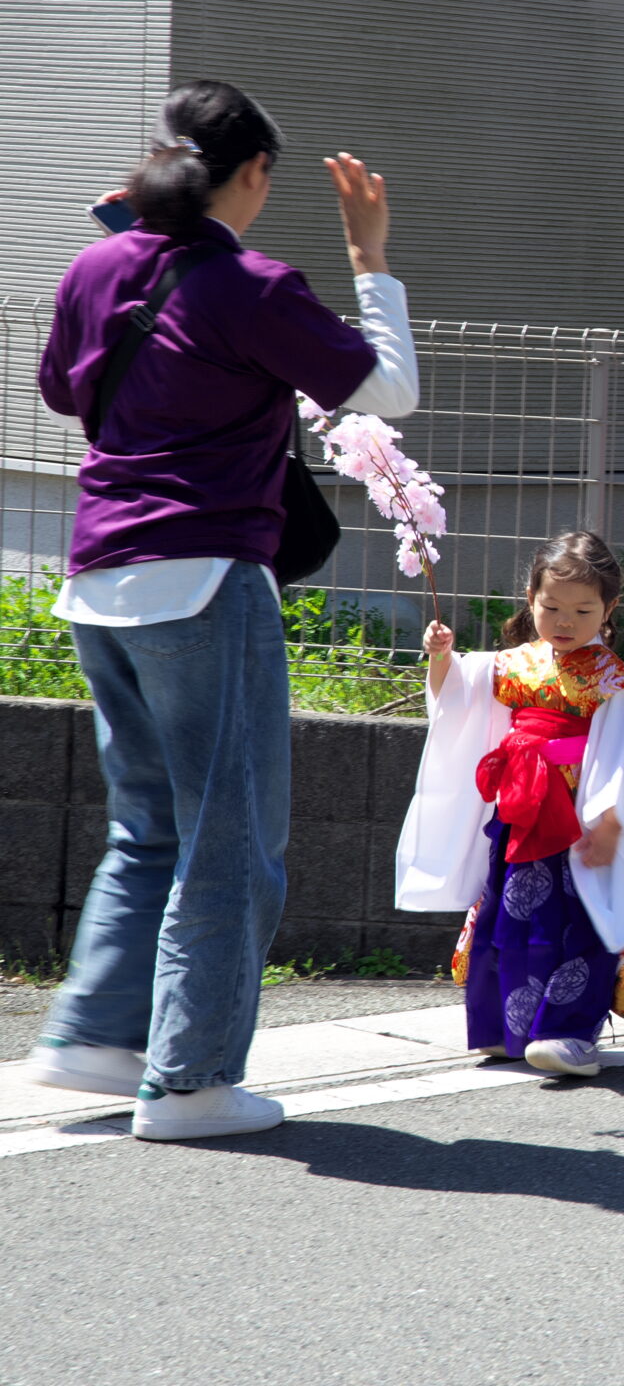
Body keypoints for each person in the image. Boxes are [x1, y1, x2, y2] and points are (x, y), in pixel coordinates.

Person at [27, 80, 420, 1141]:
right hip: (203, 580)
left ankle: (95, 1037)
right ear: (252, 174)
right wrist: (370, 255)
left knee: (148, 823)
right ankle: (192, 1081)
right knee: (230, 836)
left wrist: (123, 238)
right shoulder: (252, 284)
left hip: (99, 578)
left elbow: (64, 390)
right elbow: (387, 391)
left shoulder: (95, 268)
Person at [396, 532, 624, 1076]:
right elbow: (455, 699)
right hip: (520, 810)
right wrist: (441, 656)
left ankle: (570, 1032)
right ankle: (508, 1027)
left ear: (609, 609)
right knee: (510, 914)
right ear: (530, 598)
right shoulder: (513, 663)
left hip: (579, 818)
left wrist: (611, 823)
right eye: (551, 607)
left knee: (583, 918)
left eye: (583, 610)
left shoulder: (613, 681)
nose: (565, 621)